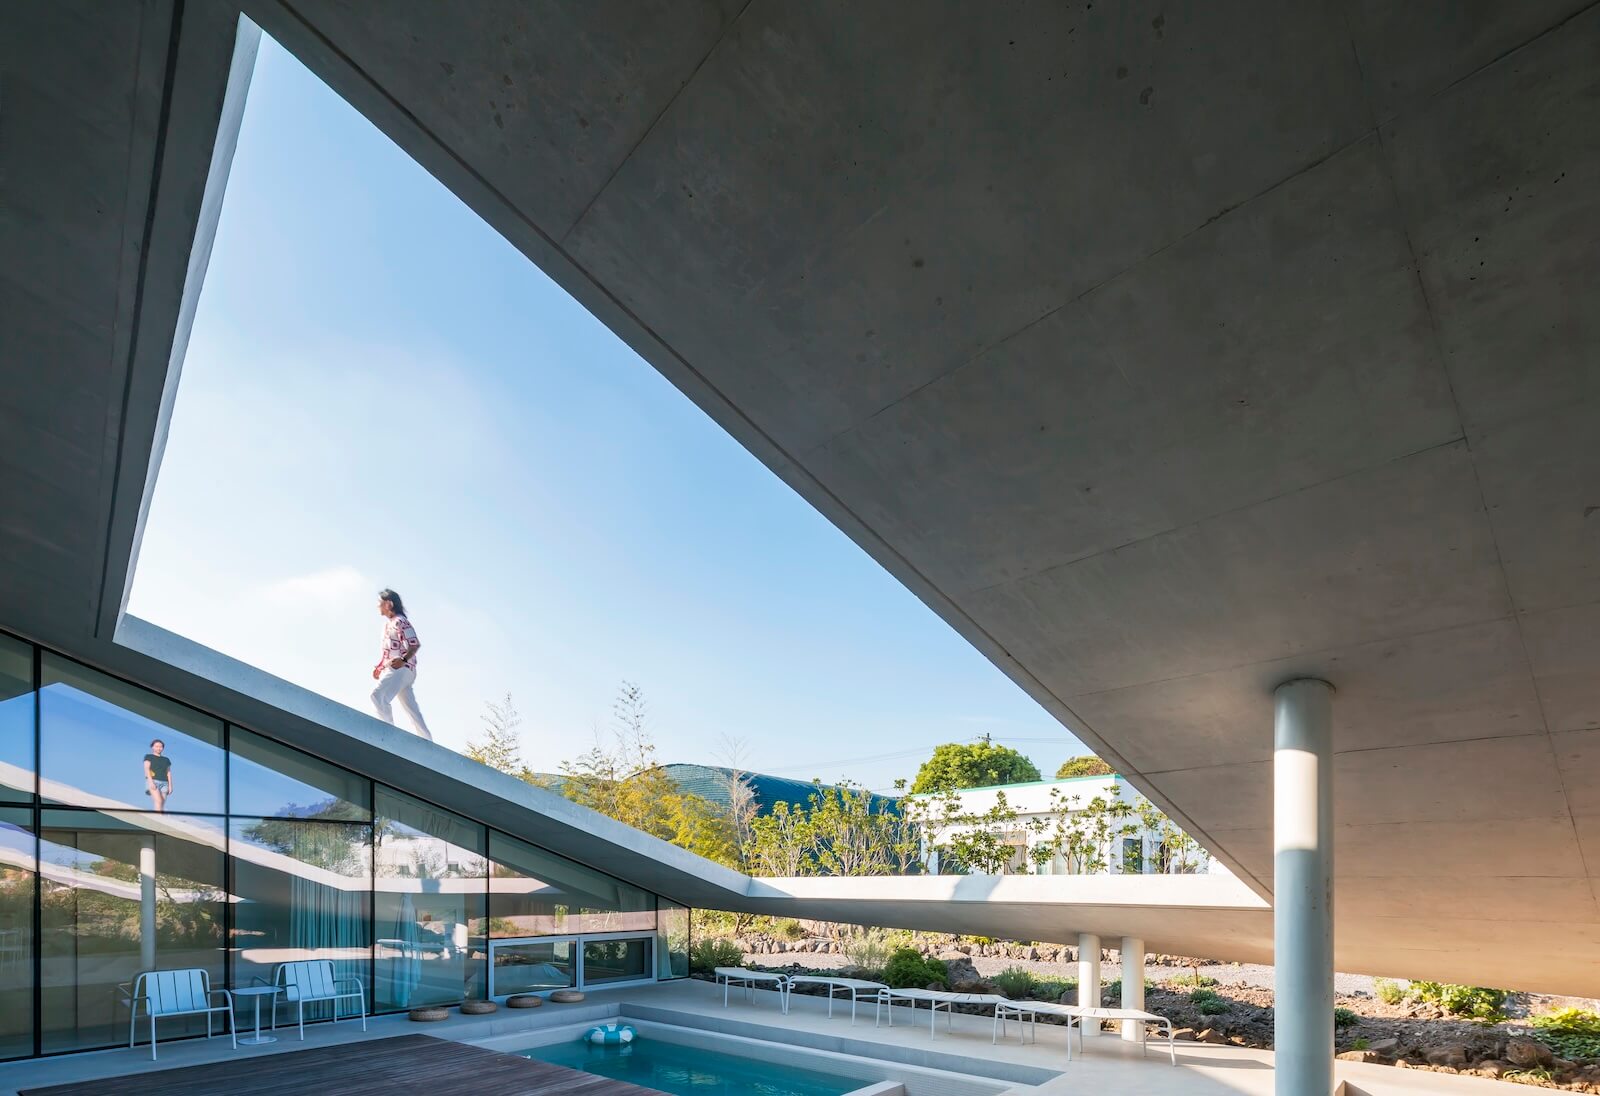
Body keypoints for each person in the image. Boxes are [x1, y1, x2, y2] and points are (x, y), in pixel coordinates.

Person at [371, 588, 433, 741]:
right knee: (411, 710)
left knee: (378, 696)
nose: (377, 606)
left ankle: (386, 735)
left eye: (380, 603)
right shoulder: (388, 625)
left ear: (389, 604)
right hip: (399, 669)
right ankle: (427, 741)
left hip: (402, 669)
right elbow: (388, 652)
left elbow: (414, 644)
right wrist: (380, 667)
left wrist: (403, 660)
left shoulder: (400, 621)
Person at [143, 738, 173, 812]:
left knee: (162, 803)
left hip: (165, 783)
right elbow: (146, 769)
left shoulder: (166, 759)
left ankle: (160, 818)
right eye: (156, 746)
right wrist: (150, 782)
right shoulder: (148, 756)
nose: (159, 748)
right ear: (152, 747)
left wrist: (170, 786)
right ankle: (158, 818)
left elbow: (168, 772)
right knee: (158, 801)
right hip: (153, 780)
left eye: (160, 746)